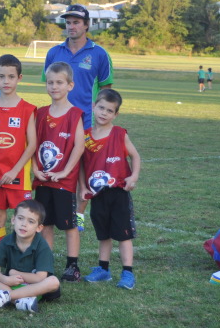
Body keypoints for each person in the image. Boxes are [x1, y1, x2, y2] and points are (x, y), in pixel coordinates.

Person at [43, 4, 113, 230]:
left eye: (76, 22)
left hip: (86, 122)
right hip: (58, 120)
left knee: (86, 167)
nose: (71, 26)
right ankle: (54, 211)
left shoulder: (99, 53)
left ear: (86, 25)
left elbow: (106, 90)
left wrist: (103, 121)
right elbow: (50, 84)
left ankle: (79, 213)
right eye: (68, 22)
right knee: (56, 163)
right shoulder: (54, 52)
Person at [80, 89, 141, 290]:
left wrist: (133, 176)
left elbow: (135, 156)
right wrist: (82, 187)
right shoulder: (86, 136)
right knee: (103, 234)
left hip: (118, 192)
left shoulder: (119, 134)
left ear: (116, 114)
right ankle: (103, 270)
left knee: (123, 235)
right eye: (101, 108)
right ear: (93, 107)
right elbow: (81, 164)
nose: (104, 113)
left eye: (109, 110)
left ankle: (127, 272)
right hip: (97, 194)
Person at [0, 54, 37, 260]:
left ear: (19, 78)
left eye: (11, 77)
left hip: (18, 177)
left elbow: (32, 144)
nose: (6, 81)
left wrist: (14, 170)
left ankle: (22, 259)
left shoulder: (28, 109)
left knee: (24, 220)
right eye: (2, 76)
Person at [33, 62, 85, 282]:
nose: (54, 87)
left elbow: (79, 146)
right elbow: (32, 145)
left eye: (59, 82)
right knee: (46, 224)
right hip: (43, 180)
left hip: (64, 182)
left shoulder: (74, 114)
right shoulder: (41, 113)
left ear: (70, 85)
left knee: (69, 224)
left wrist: (64, 172)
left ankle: (72, 265)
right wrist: (35, 169)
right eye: (50, 82)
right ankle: (47, 264)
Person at [0, 200, 61, 313]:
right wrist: (6, 279)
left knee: (53, 281)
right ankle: (21, 303)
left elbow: (40, 278)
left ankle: (7, 297)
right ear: (13, 219)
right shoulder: (6, 241)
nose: (24, 224)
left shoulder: (42, 246)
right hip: (10, 285)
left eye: (31, 221)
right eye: (20, 218)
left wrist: (15, 273)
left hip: (34, 289)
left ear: (39, 228)